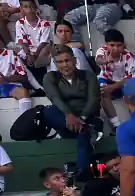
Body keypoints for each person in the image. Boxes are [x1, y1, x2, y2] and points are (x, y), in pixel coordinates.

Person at [42, 45, 104, 175]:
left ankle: (81, 173)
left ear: (74, 60)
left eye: (67, 60)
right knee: (47, 111)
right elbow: (55, 98)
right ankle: (87, 129)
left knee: (82, 135)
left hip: (87, 118)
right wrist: (69, 114)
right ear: (55, 63)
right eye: (60, 62)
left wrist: (82, 119)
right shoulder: (50, 77)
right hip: (65, 121)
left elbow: (94, 98)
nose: (65, 65)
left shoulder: (88, 75)